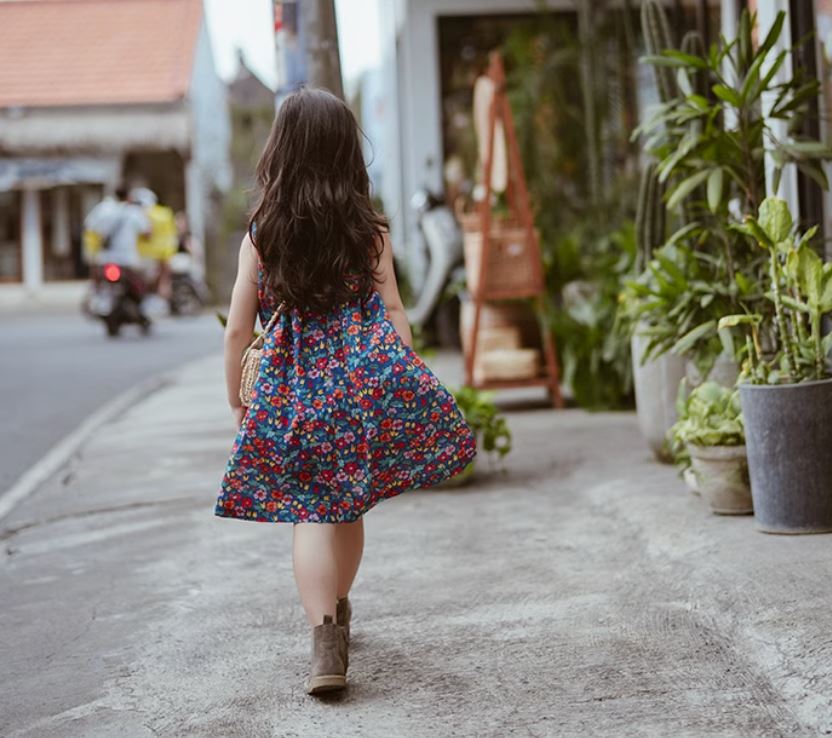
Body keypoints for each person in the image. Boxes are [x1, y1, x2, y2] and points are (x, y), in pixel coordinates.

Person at [216, 88, 477, 696]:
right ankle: (339, 603)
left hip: (292, 396)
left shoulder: (262, 236)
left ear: (281, 152)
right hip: (357, 391)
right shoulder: (370, 231)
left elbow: (236, 328)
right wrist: (404, 375)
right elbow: (393, 313)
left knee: (311, 513)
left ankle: (324, 639)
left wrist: (237, 399)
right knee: (348, 507)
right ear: (346, 155)